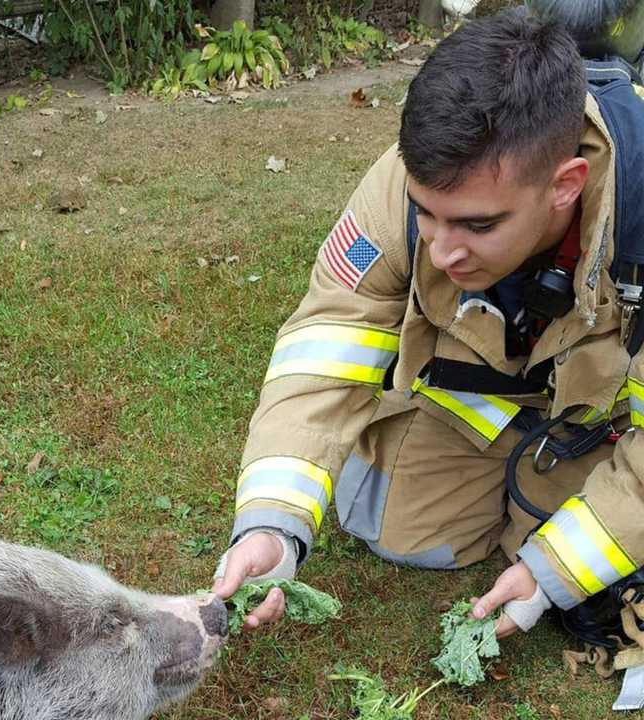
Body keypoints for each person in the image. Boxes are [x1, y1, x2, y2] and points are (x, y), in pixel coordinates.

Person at [212, 7, 644, 641]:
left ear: (566, 186)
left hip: (594, 418)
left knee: (585, 566)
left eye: (476, 224)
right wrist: (272, 524)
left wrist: (555, 569)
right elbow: (326, 341)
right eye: (427, 214)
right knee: (404, 537)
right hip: (477, 392)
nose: (440, 252)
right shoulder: (412, 177)